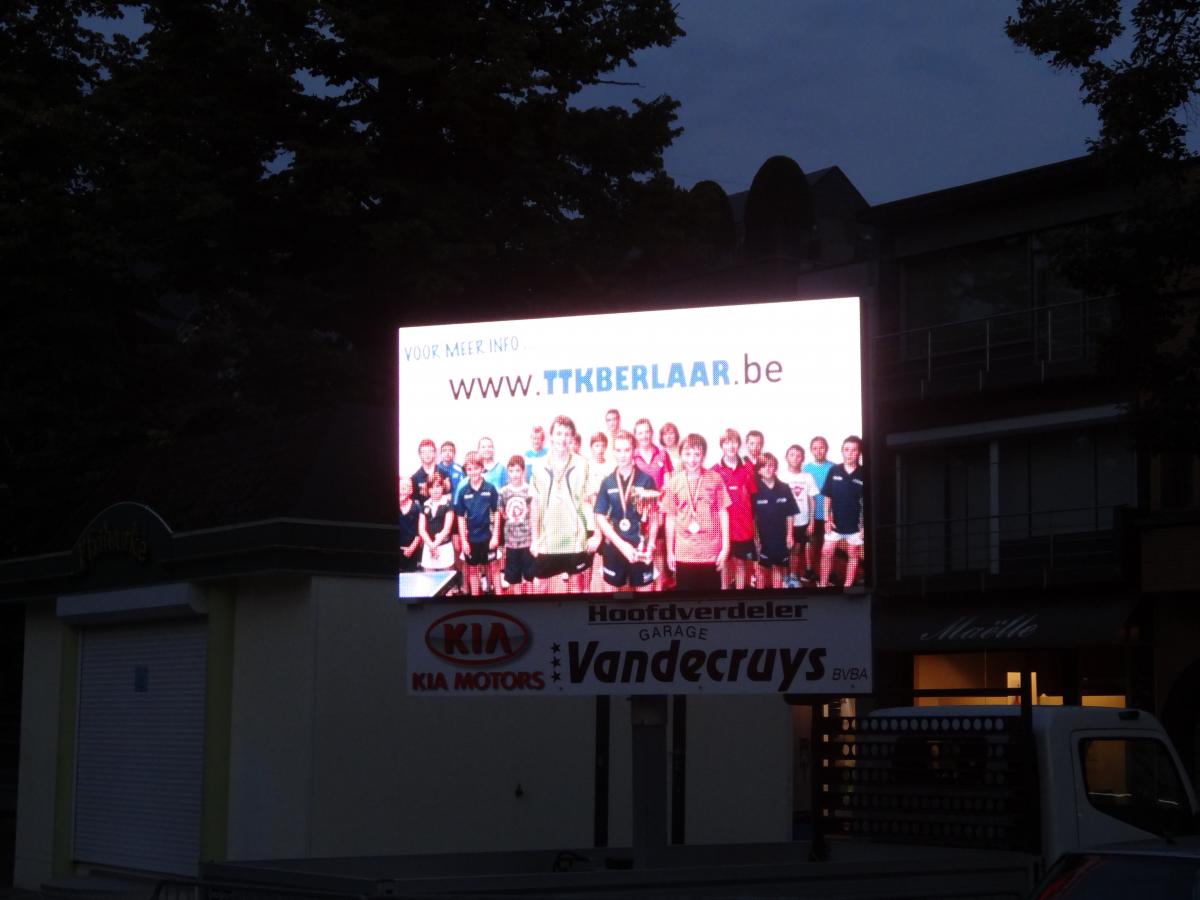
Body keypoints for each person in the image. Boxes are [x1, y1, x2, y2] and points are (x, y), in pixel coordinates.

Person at [529, 415, 600, 593]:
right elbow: (535, 505)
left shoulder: (583, 464)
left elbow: (594, 500)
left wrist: (597, 534)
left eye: (567, 434)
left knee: (577, 586)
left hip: (575, 540)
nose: (563, 439)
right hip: (547, 540)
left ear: (572, 438)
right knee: (540, 587)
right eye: (559, 434)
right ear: (551, 436)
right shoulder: (538, 466)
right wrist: (534, 540)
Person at [663, 433, 730, 592]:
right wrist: (669, 551)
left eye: (697, 454)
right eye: (687, 454)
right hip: (684, 553)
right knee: (686, 599)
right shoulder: (674, 482)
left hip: (711, 553)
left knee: (711, 599)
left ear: (703, 456)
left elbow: (723, 512)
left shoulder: (715, 478)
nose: (692, 459)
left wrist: (726, 547)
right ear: (680, 455)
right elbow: (670, 518)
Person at [594, 430, 659, 592]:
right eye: (618, 450)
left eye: (627, 450)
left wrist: (651, 544)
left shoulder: (646, 480)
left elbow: (654, 516)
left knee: (645, 594)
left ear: (634, 450)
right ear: (613, 452)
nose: (622, 455)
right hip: (614, 546)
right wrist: (622, 545)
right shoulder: (607, 482)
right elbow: (600, 516)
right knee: (612, 597)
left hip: (640, 547)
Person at [713, 428, 758, 590]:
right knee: (724, 563)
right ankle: (724, 593)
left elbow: (753, 498)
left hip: (743, 528)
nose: (731, 446)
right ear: (721, 445)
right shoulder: (715, 471)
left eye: (734, 442)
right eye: (726, 442)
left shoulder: (748, 468)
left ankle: (740, 594)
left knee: (740, 563)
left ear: (739, 444)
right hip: (722, 528)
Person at [818, 436, 865, 589]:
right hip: (835, 523)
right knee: (826, 552)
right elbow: (827, 497)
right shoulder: (834, 470)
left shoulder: (864, 473)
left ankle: (848, 586)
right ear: (842, 451)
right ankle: (823, 584)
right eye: (846, 450)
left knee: (853, 554)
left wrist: (864, 526)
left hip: (856, 526)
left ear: (859, 452)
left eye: (854, 450)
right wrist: (827, 519)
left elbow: (868, 503)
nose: (849, 453)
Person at [633, 417, 672, 589]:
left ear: (652, 433)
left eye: (647, 432)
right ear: (635, 435)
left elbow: (668, 482)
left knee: (659, 548)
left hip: (659, 509)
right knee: (642, 548)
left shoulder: (662, 454)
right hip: (639, 512)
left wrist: (662, 507)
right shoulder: (632, 455)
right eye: (640, 433)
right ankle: (645, 586)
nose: (644, 436)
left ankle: (660, 588)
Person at [455, 451, 500, 595]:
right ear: (466, 471)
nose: (473, 472)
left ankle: (499, 597)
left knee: (494, 568)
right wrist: (464, 541)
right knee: (473, 570)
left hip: (488, 537)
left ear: (482, 468)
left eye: (476, 468)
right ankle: (475, 597)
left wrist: (495, 536)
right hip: (471, 540)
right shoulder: (463, 492)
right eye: (469, 469)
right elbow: (460, 518)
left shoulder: (490, 489)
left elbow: (497, 512)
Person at [753, 452, 799, 589]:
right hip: (762, 538)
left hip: (780, 537)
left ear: (775, 468)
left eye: (771, 465)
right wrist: (755, 537)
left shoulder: (784, 488)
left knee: (778, 568)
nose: (768, 469)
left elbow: (790, 514)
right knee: (760, 569)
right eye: (764, 466)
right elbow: (752, 517)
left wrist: (790, 535)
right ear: (759, 470)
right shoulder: (754, 490)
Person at [780, 444, 820, 587]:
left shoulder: (807, 477)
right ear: (786, 457)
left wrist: (812, 522)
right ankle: (784, 578)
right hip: (784, 523)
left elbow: (812, 500)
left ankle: (793, 575)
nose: (795, 458)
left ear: (802, 458)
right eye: (792, 454)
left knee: (796, 550)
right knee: (784, 551)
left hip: (802, 522)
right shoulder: (780, 476)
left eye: (798, 455)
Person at [497, 455, 536, 595]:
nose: (514, 474)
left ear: (523, 471)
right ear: (508, 472)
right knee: (514, 579)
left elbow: (533, 514)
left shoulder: (530, 491)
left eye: (518, 471)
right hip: (511, 543)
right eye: (511, 471)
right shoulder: (503, 492)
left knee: (529, 577)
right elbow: (502, 513)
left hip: (528, 541)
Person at [804, 436, 834, 581]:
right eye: (815, 448)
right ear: (811, 450)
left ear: (826, 448)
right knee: (811, 543)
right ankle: (809, 570)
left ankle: (829, 573)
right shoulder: (806, 469)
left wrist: (832, 514)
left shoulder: (834, 468)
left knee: (828, 545)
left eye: (821, 447)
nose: (818, 451)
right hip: (812, 515)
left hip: (829, 515)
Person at [419, 474, 456, 576]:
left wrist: (435, 545)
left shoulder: (448, 504)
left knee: (447, 580)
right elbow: (421, 529)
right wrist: (431, 546)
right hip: (428, 547)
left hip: (445, 547)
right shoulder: (424, 505)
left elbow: (447, 529)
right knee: (428, 580)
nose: (435, 490)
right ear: (428, 489)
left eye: (438, 486)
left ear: (443, 487)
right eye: (432, 487)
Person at [586, 432, 610, 592]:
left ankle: (604, 591)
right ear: (591, 447)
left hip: (607, 521)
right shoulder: (586, 467)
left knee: (605, 559)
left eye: (602, 445)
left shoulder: (611, 467)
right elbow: (588, 496)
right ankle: (586, 591)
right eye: (596, 446)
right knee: (586, 561)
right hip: (590, 521)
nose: (600, 449)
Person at [397, 475, 422, 573]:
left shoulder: (417, 508)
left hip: (412, 551)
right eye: (400, 488)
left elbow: (419, 532)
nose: (401, 491)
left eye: (404, 488)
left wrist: (411, 549)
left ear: (410, 491)